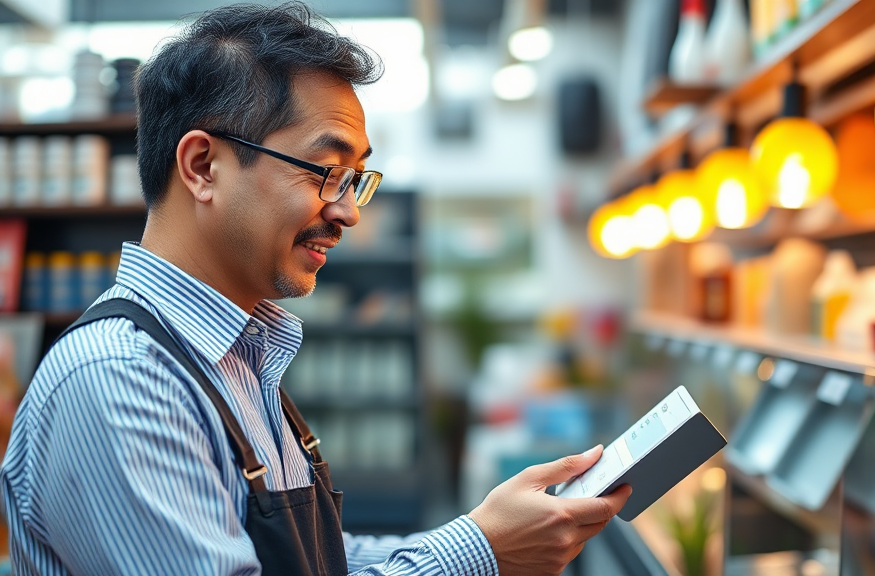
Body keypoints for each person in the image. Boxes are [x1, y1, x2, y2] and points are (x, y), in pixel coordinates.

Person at [0, 3, 630, 575]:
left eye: (356, 179)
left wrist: (489, 538)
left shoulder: (236, 358)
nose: (348, 212)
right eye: (326, 172)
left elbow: (314, 559)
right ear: (202, 167)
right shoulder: (121, 379)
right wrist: (478, 551)